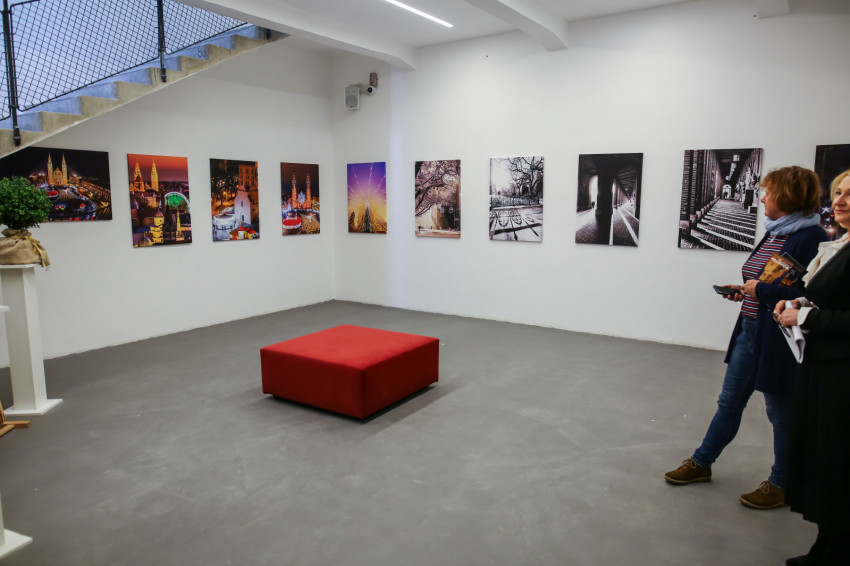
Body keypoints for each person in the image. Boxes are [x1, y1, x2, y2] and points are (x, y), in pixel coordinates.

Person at [664, 166, 827, 510]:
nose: (763, 198)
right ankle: (702, 462)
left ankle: (782, 484)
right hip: (750, 330)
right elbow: (765, 279)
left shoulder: (811, 238)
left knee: (780, 413)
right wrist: (744, 290)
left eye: (769, 192)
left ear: (787, 195)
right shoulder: (775, 232)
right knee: (729, 402)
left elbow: (811, 294)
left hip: (778, 339)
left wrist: (761, 291)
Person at [776, 169, 850, 565]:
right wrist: (799, 303)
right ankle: (827, 545)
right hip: (824, 367)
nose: (839, 201)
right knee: (825, 456)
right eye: (837, 193)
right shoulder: (841, 244)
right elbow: (830, 297)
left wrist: (806, 317)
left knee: (838, 460)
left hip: (842, 373)